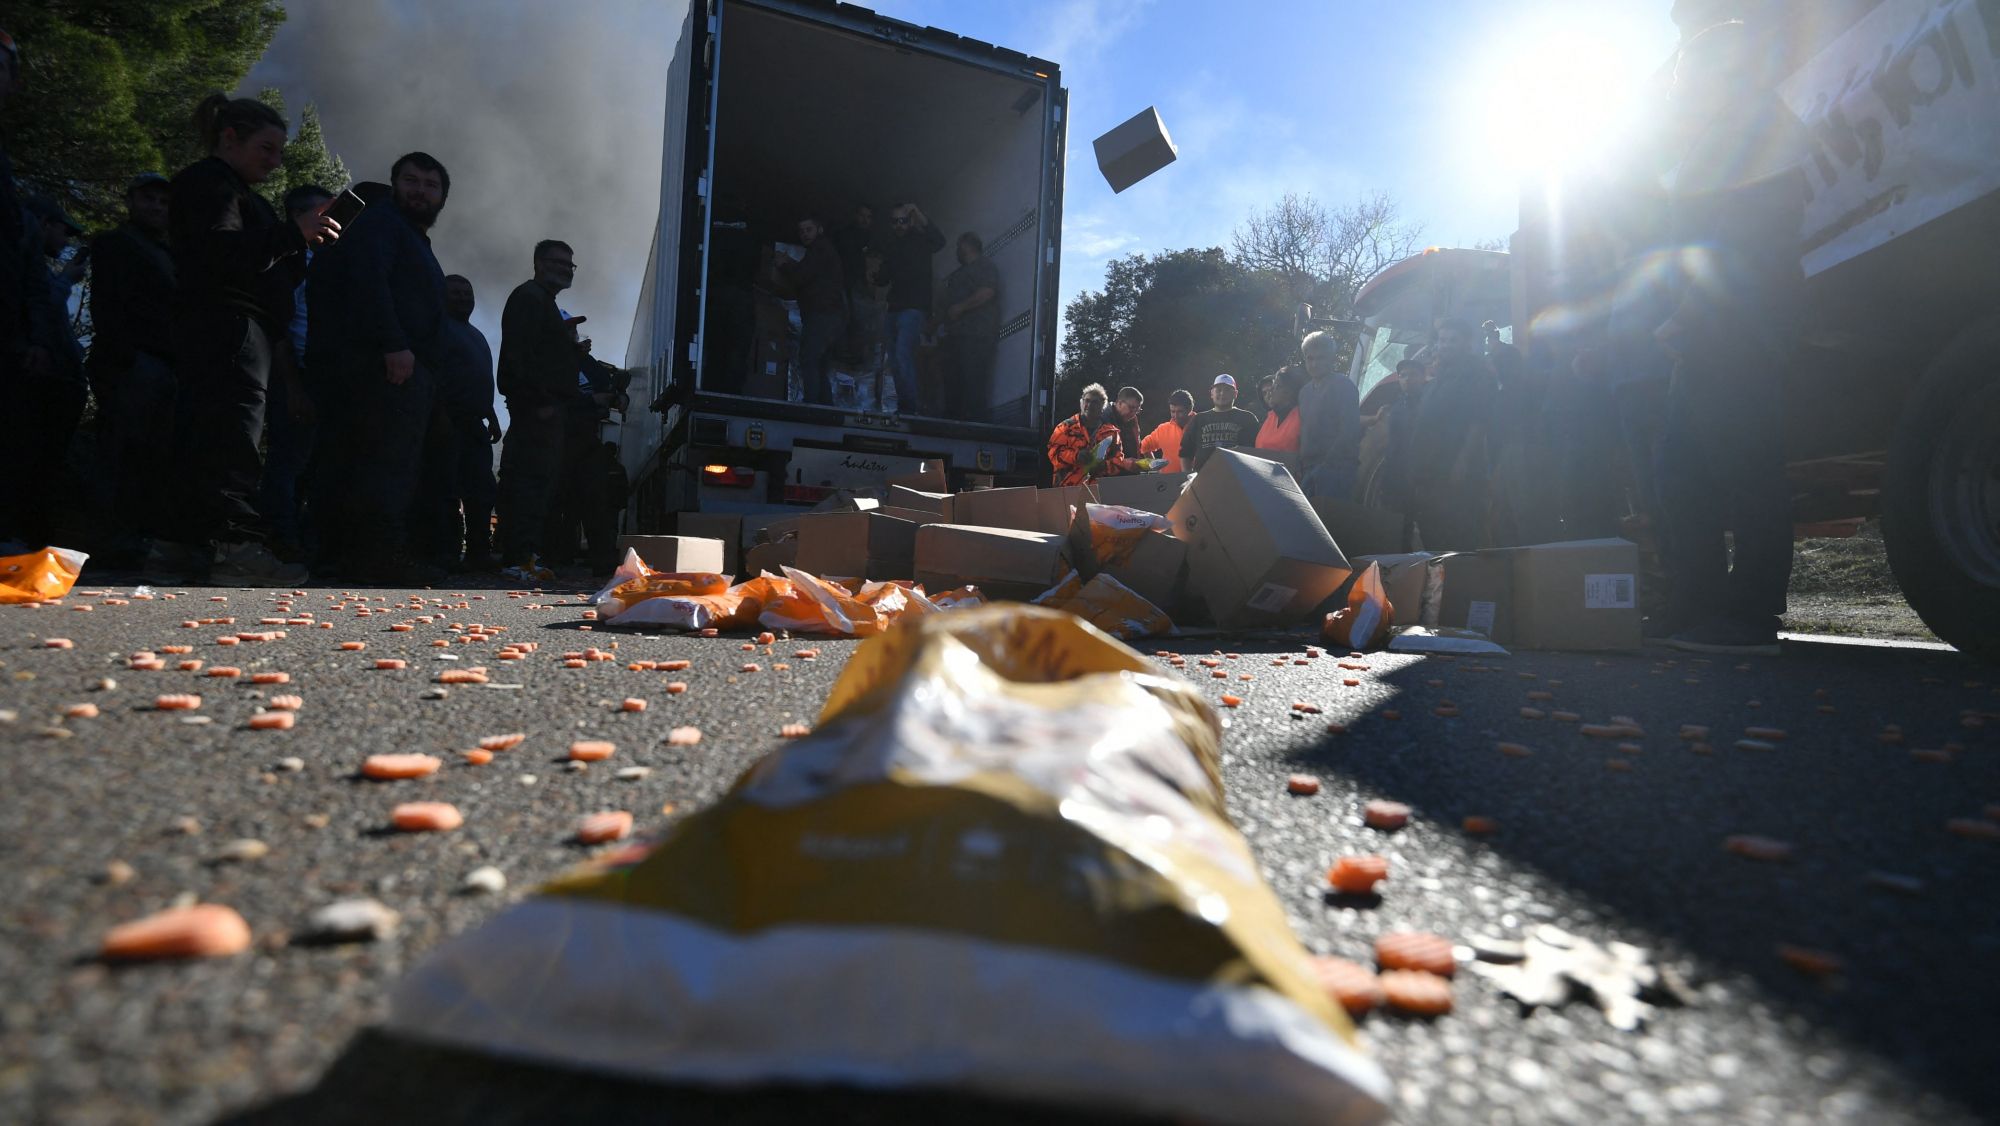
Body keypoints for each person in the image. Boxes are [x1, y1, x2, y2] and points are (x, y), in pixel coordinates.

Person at [1655, 21, 1808, 655]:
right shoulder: (1722, 135)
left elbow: (1737, 240)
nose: (1681, 87)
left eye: (1689, 74)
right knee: (1680, 469)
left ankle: (1748, 618)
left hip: (1742, 320)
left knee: (1747, 467)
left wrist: (1687, 313)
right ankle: (1697, 607)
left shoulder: (1756, 128)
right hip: (1718, 324)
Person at [156, 94, 339, 582]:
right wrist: (291, 234)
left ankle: (181, 543)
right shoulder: (213, 185)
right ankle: (235, 547)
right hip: (230, 323)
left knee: (202, 430)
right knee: (231, 436)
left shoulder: (233, 191)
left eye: (281, 151)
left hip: (228, 325)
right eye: (267, 148)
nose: (276, 161)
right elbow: (220, 253)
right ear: (230, 138)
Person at [312, 152, 451, 584]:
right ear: (394, 186)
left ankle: (348, 556)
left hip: (400, 365)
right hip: (387, 365)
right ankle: (376, 556)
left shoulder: (409, 234)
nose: (420, 191)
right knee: (386, 463)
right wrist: (394, 344)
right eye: (411, 181)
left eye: (431, 185)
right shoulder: (382, 223)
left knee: (378, 460)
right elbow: (369, 282)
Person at [86, 174, 179, 567]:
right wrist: (123, 358)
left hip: (166, 362)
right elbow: (107, 305)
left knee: (156, 454)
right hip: (131, 361)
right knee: (122, 451)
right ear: (130, 201)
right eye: (147, 198)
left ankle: (143, 537)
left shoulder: (172, 253)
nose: (156, 206)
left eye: (162, 200)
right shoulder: (114, 244)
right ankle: (115, 541)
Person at [495, 239, 582, 583]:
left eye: (569, 265)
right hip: (537, 411)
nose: (564, 269)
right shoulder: (529, 298)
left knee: (538, 484)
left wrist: (567, 346)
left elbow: (539, 354)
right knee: (528, 484)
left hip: (544, 408)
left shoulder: (543, 302)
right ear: (538, 263)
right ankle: (517, 559)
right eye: (557, 262)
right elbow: (518, 358)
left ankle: (526, 555)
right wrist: (540, 403)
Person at [258, 183, 331, 565]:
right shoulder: (284, 259)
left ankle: (308, 542)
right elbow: (281, 328)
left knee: (316, 463)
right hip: (295, 372)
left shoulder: (325, 260)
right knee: (288, 460)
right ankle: (279, 539)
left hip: (323, 373)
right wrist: (293, 387)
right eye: (324, 213)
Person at [418, 274, 500, 571]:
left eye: (468, 293)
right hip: (447, 418)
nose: (464, 298)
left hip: (475, 422)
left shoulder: (476, 335)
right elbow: (433, 374)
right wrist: (438, 413)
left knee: (482, 489)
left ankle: (479, 551)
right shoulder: (437, 329)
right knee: (446, 488)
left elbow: (481, 379)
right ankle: (446, 552)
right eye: (456, 293)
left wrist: (490, 415)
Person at [1403, 318, 1497, 551]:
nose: (1445, 345)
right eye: (1442, 340)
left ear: (1467, 343)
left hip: (1453, 470)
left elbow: (1479, 421)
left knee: (1458, 533)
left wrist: (1462, 461)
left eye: (1452, 340)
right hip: (1429, 471)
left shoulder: (1476, 374)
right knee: (1431, 531)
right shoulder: (1438, 377)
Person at [876, 202, 943, 415]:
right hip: (894, 308)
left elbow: (940, 240)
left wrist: (917, 212)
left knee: (904, 355)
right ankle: (905, 404)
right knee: (894, 359)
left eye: (903, 220)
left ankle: (910, 408)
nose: (899, 225)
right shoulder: (891, 246)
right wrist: (873, 275)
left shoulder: (921, 240)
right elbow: (884, 277)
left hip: (914, 308)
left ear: (910, 220)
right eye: (895, 221)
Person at [774, 216, 845, 406]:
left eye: (809, 229)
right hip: (829, 315)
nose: (805, 234)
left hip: (821, 314)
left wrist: (784, 264)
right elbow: (808, 273)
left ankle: (812, 404)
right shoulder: (821, 251)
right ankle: (824, 405)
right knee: (820, 364)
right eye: (802, 231)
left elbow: (802, 276)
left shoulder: (820, 249)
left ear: (819, 230)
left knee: (809, 359)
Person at [938, 231, 999, 420]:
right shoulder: (959, 273)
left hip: (976, 336)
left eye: (958, 246)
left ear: (967, 246)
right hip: (957, 336)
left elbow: (987, 292)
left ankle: (975, 424)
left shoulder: (984, 267)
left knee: (974, 382)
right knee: (953, 382)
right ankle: (952, 421)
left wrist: (961, 307)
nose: (956, 250)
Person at [1296, 330, 1360, 499]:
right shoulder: (1304, 392)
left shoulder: (1343, 386)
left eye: (1320, 358)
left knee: (1328, 522)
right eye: (1310, 358)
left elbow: (1349, 430)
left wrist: (1327, 465)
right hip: (1308, 467)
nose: (1315, 363)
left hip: (1336, 470)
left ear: (1331, 359)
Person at [1179, 374, 1263, 471]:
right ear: (1211, 393)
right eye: (1218, 390)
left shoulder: (1248, 419)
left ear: (1235, 394)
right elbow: (1185, 453)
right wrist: (1187, 477)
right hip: (1204, 481)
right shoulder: (1199, 419)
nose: (1222, 393)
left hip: (1238, 480)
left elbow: (1258, 452)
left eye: (1227, 390)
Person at [1048, 382, 1126, 487]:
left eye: (1095, 402)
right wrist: (1076, 456)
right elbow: (1053, 453)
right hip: (1067, 489)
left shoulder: (1112, 432)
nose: (1089, 405)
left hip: (1098, 490)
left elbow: (1119, 461)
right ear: (1081, 403)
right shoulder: (1065, 427)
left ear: (1103, 406)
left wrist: (1103, 466)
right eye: (1087, 401)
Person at [1140, 389, 1195, 474]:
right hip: (1168, 483)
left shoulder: (1202, 425)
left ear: (1190, 409)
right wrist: (1154, 468)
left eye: (1180, 411)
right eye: (1172, 411)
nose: (1176, 416)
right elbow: (1143, 447)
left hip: (1198, 481)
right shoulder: (1163, 429)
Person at [1256, 366, 1305, 452]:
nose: (1271, 389)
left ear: (1290, 392)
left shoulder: (1302, 417)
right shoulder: (1271, 416)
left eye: (1277, 386)